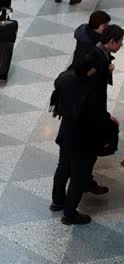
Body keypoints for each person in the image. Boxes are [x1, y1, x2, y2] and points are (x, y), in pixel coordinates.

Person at [51, 25, 123, 225]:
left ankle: (57, 202)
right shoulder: (91, 90)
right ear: (112, 41)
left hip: (67, 131)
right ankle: (69, 214)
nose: (121, 45)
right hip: (84, 136)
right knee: (79, 174)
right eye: (120, 42)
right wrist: (107, 120)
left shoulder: (75, 78)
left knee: (63, 167)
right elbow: (97, 111)